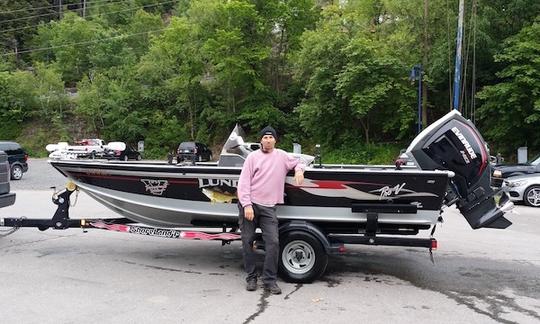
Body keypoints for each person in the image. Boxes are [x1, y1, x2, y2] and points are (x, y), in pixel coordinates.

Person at [237, 126, 305, 294]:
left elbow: (300, 161)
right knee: (247, 241)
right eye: (265, 137)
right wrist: (246, 205)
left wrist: (299, 170)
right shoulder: (252, 157)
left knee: (273, 243)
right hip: (250, 206)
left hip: (269, 208)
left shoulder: (282, 156)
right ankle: (251, 278)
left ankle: (269, 280)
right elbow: (243, 183)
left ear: (275, 140)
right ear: (261, 140)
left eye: (271, 137)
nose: (268, 140)